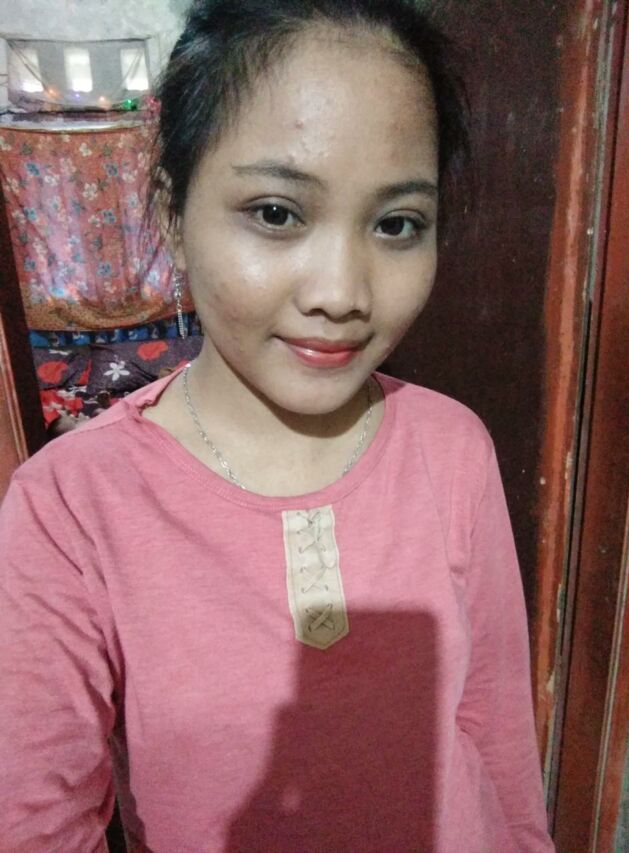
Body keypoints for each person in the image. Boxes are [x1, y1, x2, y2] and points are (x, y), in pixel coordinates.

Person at [0, 1, 555, 850]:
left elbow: (500, 748)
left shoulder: (452, 448)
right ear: (172, 210)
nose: (341, 292)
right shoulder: (70, 507)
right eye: (276, 213)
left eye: (396, 224)